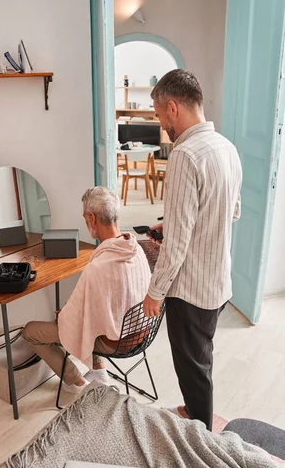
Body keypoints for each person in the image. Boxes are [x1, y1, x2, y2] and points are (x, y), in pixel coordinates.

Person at [143, 69, 242, 430]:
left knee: (192, 367)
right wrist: (173, 223)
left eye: (158, 114)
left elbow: (180, 242)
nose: (160, 123)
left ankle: (200, 431)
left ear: (173, 107)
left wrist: (155, 292)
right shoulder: (226, 148)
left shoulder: (184, 155)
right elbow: (230, 211)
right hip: (218, 282)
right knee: (202, 358)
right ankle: (194, 412)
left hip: (190, 289)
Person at [23, 187, 151, 392]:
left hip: (117, 342)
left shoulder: (98, 267)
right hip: (142, 332)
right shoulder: (136, 250)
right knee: (91, 314)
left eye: (85, 218)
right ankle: (99, 372)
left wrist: (64, 316)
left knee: (30, 331)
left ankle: (78, 383)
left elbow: (74, 318)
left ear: (91, 218)